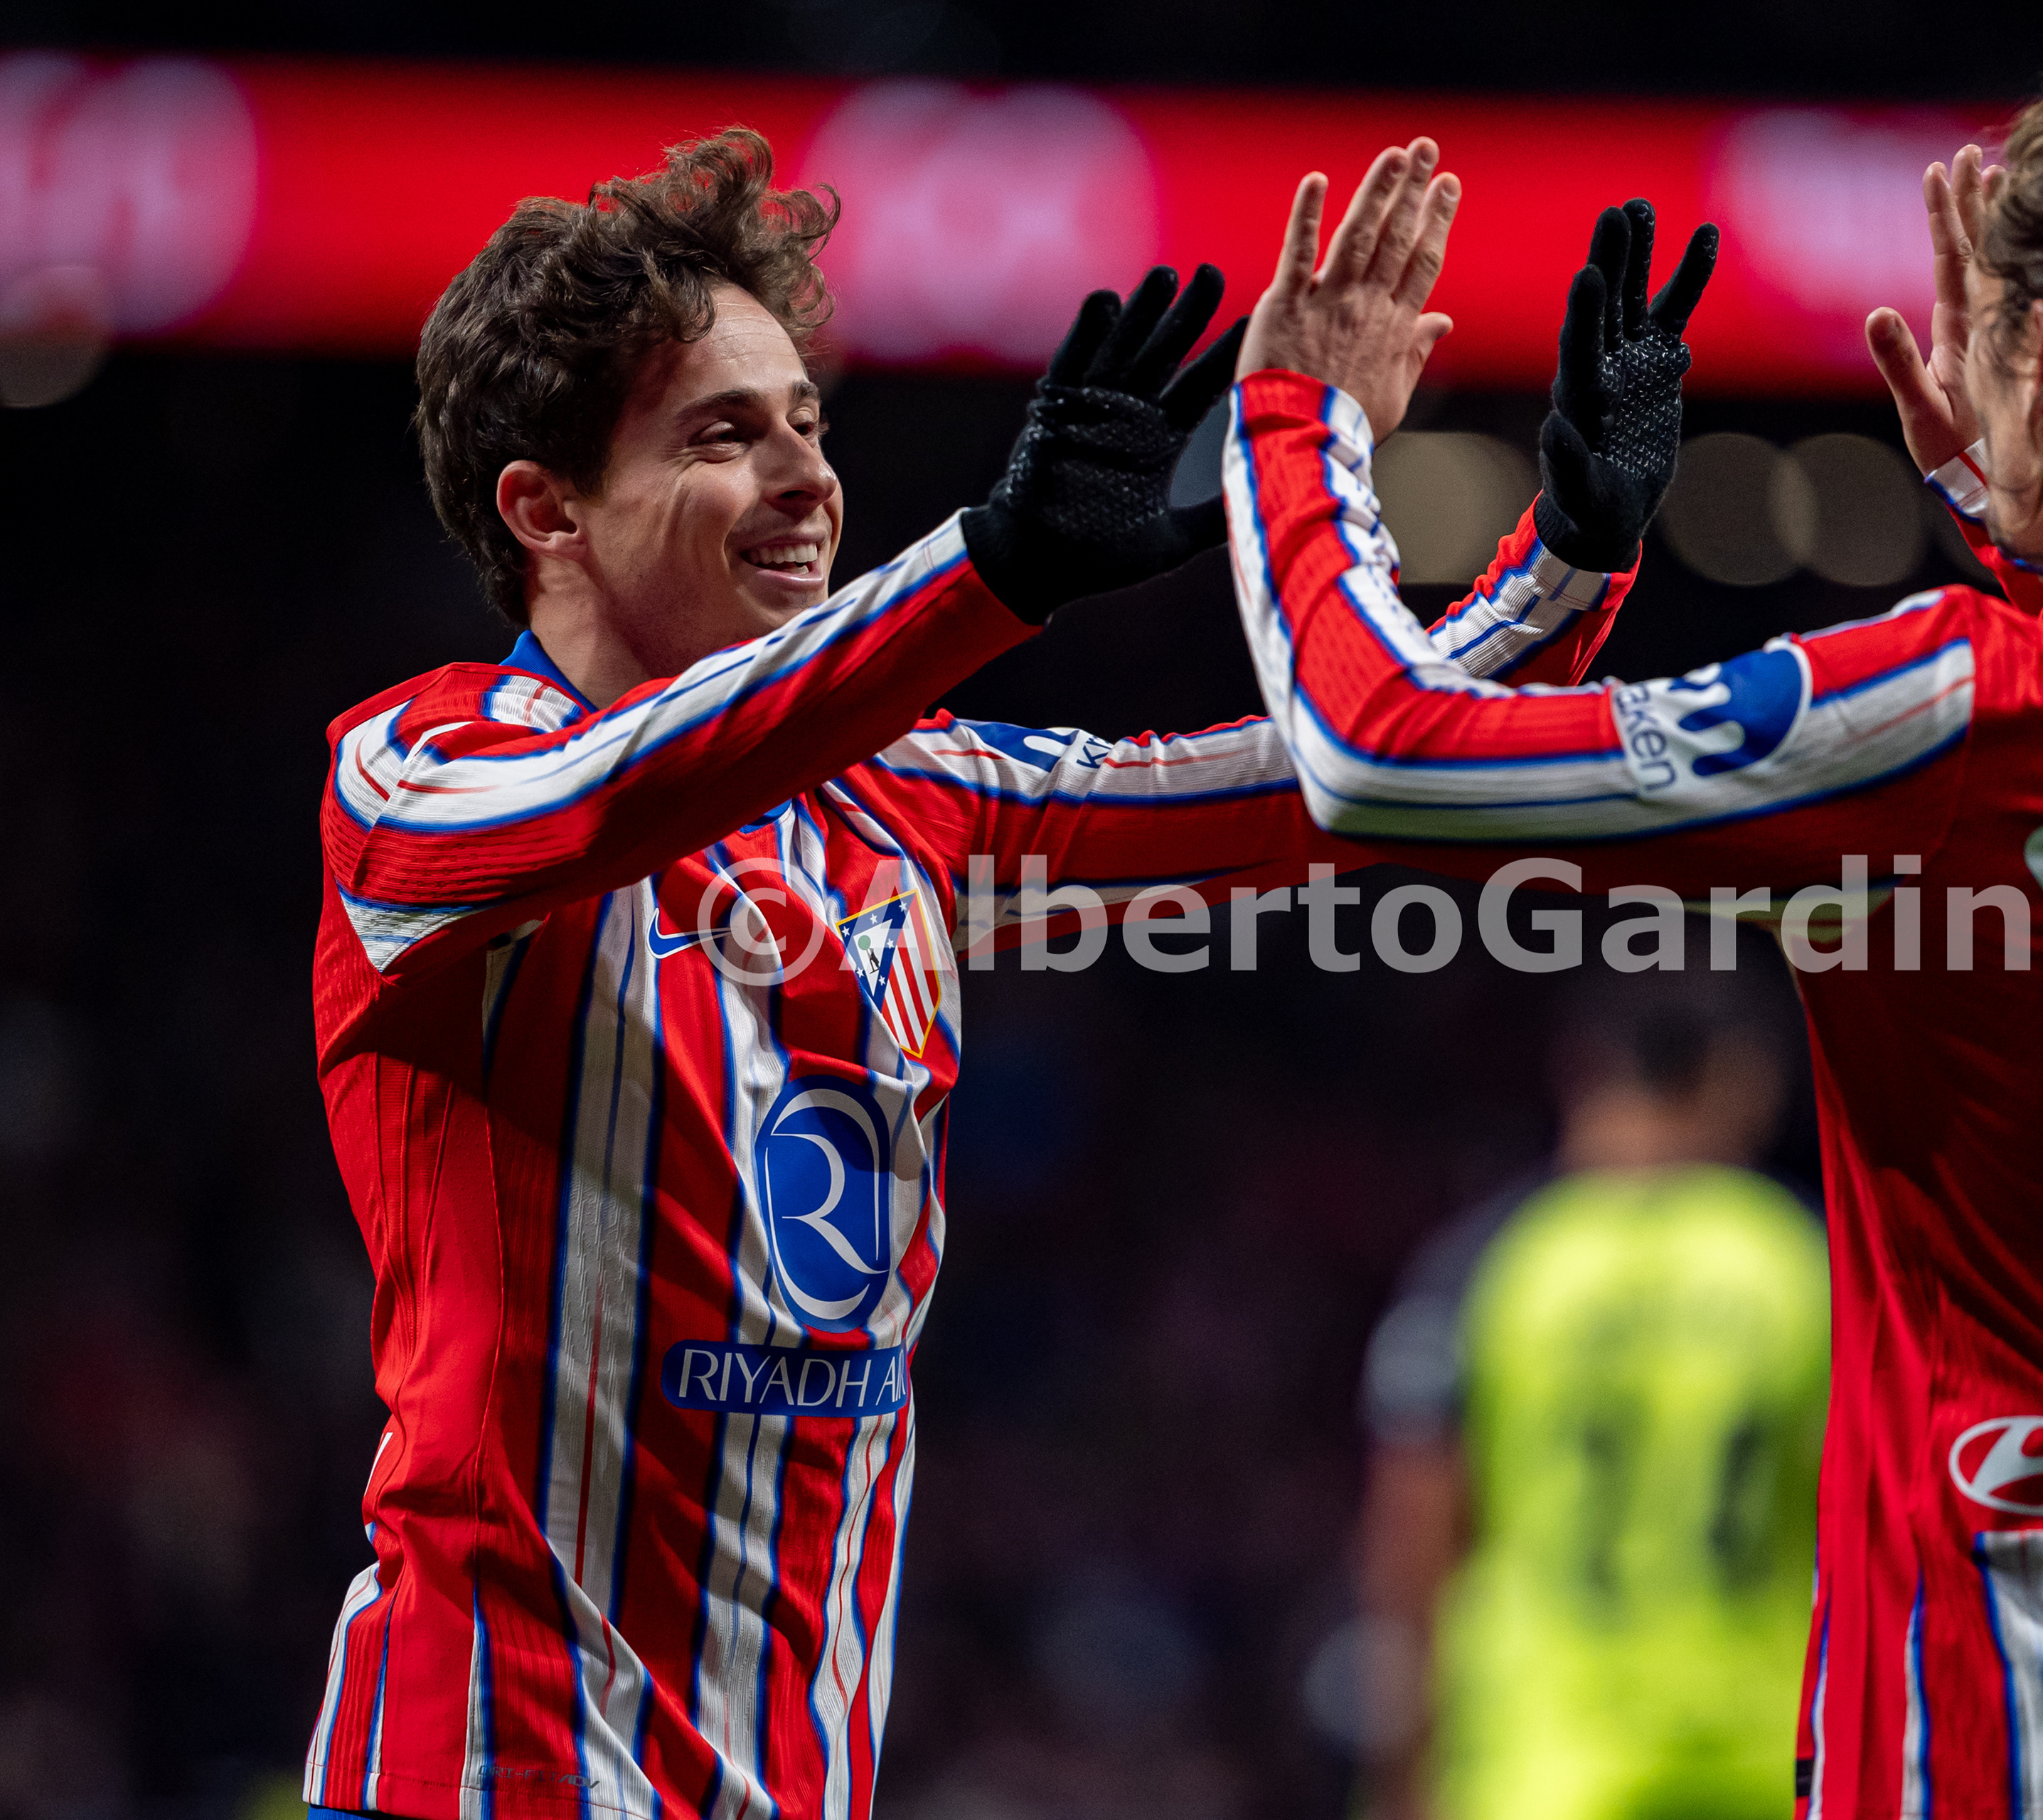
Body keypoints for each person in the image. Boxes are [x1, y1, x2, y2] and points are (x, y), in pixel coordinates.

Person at [303, 130, 1687, 1815]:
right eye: (725, 435)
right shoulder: (419, 782)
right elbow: (619, 793)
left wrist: (1567, 558)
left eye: (809, 423)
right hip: (486, 1766)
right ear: (546, 510)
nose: (807, 478)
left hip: (794, 1774)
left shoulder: (908, 796)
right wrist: (991, 567)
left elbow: (1324, 789)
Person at [1225, 75, 2043, 1819]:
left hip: (2016, 1729)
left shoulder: (1960, 712)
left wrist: (1294, 421)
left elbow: (1374, 757)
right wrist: (2030, 505)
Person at [1353, 969, 1828, 1820]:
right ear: (1745, 1081)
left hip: (1545, 1764)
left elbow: (1414, 1532)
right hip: (1767, 1758)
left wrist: (1400, 1770)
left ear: (1580, 1068)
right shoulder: (1803, 1263)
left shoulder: (1489, 1264)